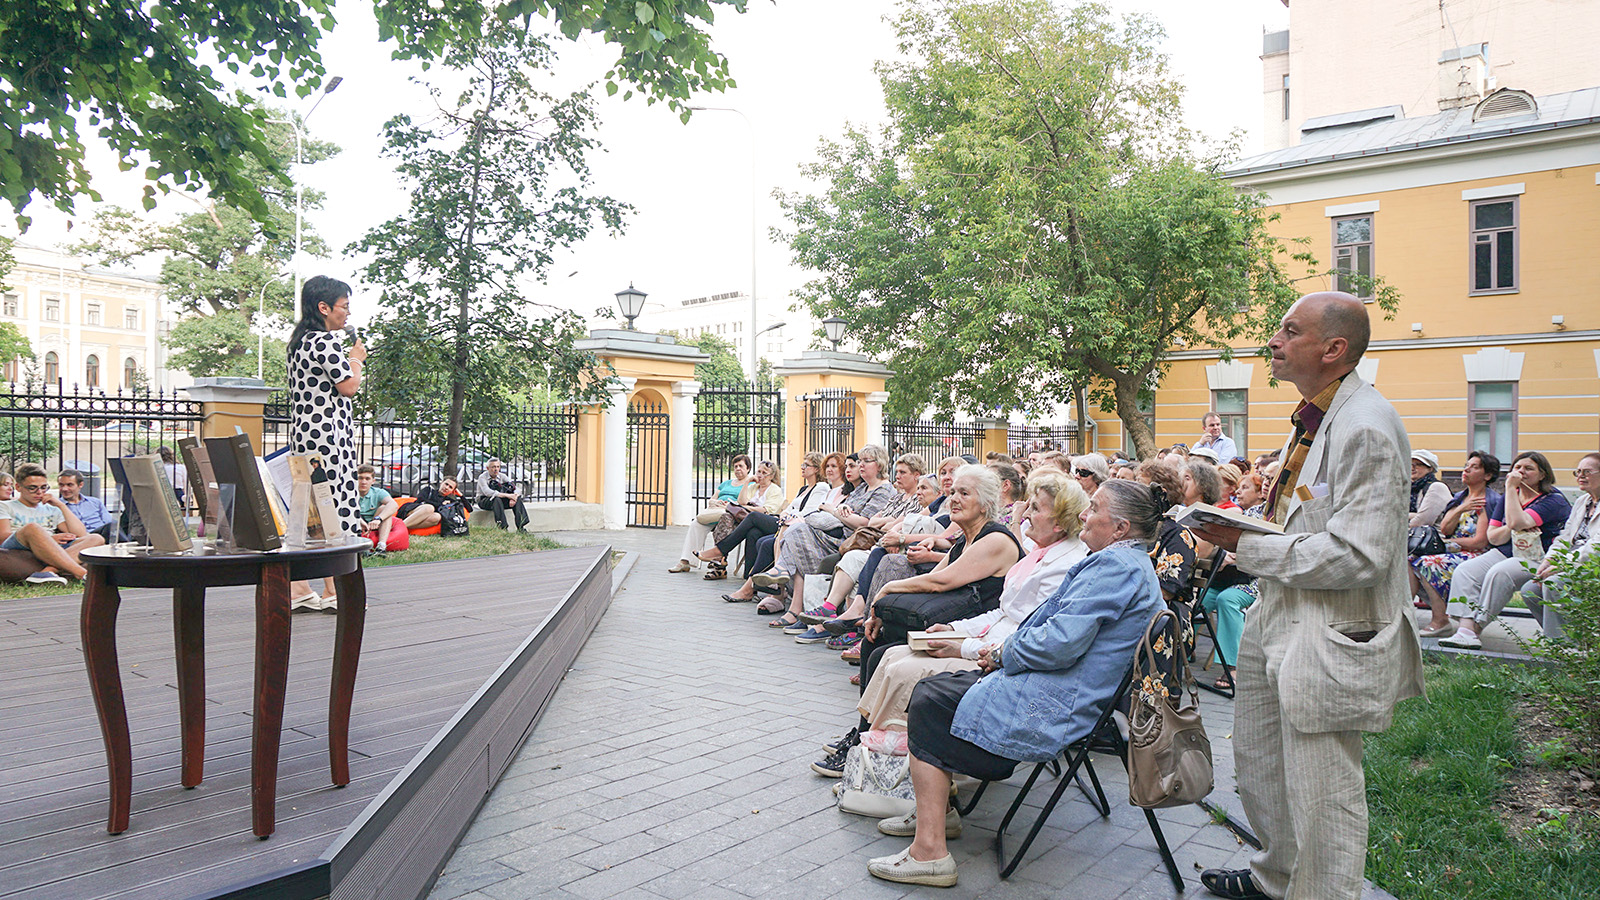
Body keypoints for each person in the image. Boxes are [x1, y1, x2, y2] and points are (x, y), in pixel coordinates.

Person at [1190, 292, 1425, 900]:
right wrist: (1245, 531)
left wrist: (1246, 548)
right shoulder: (1318, 414)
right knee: (1263, 763)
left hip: (1331, 630)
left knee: (1324, 790)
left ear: (1334, 349)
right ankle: (1276, 877)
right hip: (1284, 613)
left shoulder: (1366, 426)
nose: (1273, 340)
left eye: (1289, 331)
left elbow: (1363, 555)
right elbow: (1311, 522)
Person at [863, 479, 1165, 887]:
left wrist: (1000, 654)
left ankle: (930, 851)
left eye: (1093, 509)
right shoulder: (1124, 562)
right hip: (1059, 686)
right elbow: (1052, 632)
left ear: (1121, 528)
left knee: (930, 698)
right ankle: (937, 817)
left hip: (1059, 700)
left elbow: (1060, 642)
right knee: (934, 689)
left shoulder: (1117, 566)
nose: (1083, 516)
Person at [814, 464, 1023, 775]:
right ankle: (863, 737)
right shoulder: (966, 540)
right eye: (952, 492)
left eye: (964, 493)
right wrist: (880, 609)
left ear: (986, 503)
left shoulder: (995, 539)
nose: (953, 499)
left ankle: (864, 740)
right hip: (953, 622)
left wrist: (884, 591)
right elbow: (934, 578)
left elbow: (940, 583)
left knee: (883, 650)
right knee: (875, 641)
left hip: (975, 632)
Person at [854, 471, 1089, 735]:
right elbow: (1001, 613)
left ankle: (879, 744)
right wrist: (954, 630)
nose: (1024, 514)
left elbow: (1025, 633)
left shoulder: (1022, 549)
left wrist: (962, 645)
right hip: (981, 635)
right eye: (952, 492)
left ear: (1058, 523)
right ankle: (868, 741)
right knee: (885, 652)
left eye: (964, 493)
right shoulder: (1037, 553)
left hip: (998, 658)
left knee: (895, 663)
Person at [1437, 450, 1571, 650]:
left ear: (1543, 474)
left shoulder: (1552, 500)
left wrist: (1510, 494)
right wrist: (1511, 525)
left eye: (1529, 468)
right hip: (1506, 551)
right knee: (1466, 571)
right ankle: (1465, 631)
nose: (1521, 472)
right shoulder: (1510, 496)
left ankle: (1476, 626)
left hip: (1539, 557)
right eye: (1518, 467)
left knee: (1500, 573)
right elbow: (1494, 536)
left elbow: (1517, 521)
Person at [287, 275, 365, 611]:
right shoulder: (325, 342)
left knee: (309, 511)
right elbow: (348, 386)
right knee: (333, 508)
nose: (347, 313)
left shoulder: (299, 343)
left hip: (304, 436)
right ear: (324, 308)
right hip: (329, 439)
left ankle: (299, 589)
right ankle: (335, 591)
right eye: (343, 307)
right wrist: (357, 359)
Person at [1411, 451, 1501, 637]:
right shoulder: (1461, 497)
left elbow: (1480, 541)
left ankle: (1440, 620)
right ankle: (1403, 614)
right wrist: (1461, 509)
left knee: (1428, 563)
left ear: (1487, 475)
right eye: (1466, 466)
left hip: (1478, 554)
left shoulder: (1488, 501)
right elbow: (1445, 528)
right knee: (1409, 559)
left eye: (1474, 467)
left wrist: (1449, 543)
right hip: (1455, 549)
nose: (1466, 469)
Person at [1520, 452, 1600, 639]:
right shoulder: (1583, 502)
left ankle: (1563, 647)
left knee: (1554, 584)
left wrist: (1563, 566)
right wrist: (1548, 561)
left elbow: (1596, 547)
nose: (1580, 476)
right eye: (1578, 471)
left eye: (1587, 472)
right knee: (1530, 590)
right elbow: (1565, 536)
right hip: (1572, 561)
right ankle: (1566, 641)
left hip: (1591, 565)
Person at [0, 462, 104, 583]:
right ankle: (82, 573)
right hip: (18, 546)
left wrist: (61, 505)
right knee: (33, 528)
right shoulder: (5, 506)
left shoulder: (52, 509)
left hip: (50, 549)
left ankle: (48, 571)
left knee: (96, 538)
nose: (39, 492)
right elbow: (3, 536)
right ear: (18, 487)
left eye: (43, 487)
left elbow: (81, 534)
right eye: (33, 488)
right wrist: (46, 539)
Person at [699, 460, 784, 579]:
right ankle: (748, 575)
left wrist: (745, 508)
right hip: (750, 524)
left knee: (753, 516)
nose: (760, 475)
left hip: (770, 522)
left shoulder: (775, 490)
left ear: (771, 476)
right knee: (751, 532)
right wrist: (747, 482)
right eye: (758, 471)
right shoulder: (754, 487)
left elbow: (766, 510)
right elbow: (741, 501)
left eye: (764, 472)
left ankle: (720, 550)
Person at [669, 454, 751, 573]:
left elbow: (746, 503)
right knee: (695, 524)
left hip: (731, 515)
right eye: (736, 466)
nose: (738, 468)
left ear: (748, 468)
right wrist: (716, 502)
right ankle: (685, 562)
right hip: (715, 511)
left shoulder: (751, 484)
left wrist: (729, 505)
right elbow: (713, 498)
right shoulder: (726, 483)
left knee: (724, 520)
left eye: (741, 466)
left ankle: (717, 559)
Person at [58, 468, 119, 543]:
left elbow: (109, 523)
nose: (64, 489)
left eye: (69, 485)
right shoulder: (57, 506)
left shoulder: (95, 502)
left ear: (80, 484)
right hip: (82, 537)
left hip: (103, 533)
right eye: (61, 485)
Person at [355, 464, 406, 554]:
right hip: (356, 520)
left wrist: (378, 519)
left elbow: (393, 505)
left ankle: (381, 546)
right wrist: (359, 520)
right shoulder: (350, 492)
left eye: (367, 479)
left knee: (384, 509)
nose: (363, 482)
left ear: (373, 481)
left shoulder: (378, 492)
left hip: (374, 522)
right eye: (360, 478)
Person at [476, 458, 528, 532]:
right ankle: (503, 528)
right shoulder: (482, 477)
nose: (496, 469)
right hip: (485, 500)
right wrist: (509, 496)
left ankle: (521, 526)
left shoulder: (502, 476)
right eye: (493, 467)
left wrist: (513, 497)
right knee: (496, 499)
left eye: (498, 467)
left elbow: (516, 488)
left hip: (500, 500)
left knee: (518, 499)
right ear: (488, 468)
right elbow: (488, 493)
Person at [1408, 449, 1452, 527]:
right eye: (1410, 464)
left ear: (1430, 468)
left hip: (1433, 537)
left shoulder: (1437, 487)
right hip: (1413, 537)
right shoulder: (1409, 488)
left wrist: (1404, 516)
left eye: (1417, 464)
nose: (1412, 468)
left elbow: (1422, 521)